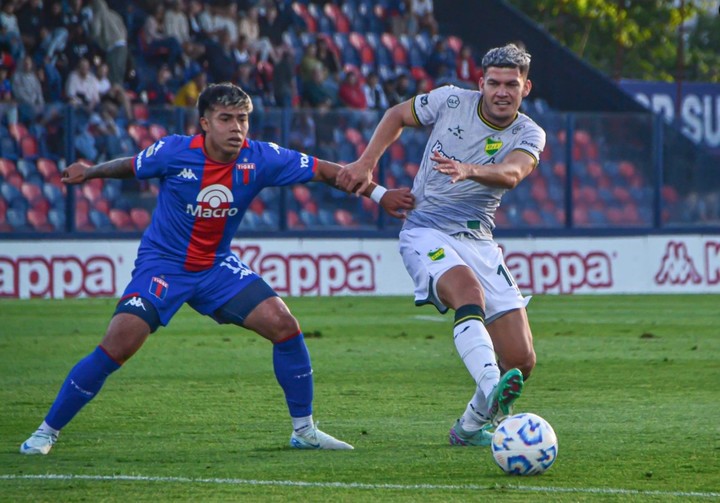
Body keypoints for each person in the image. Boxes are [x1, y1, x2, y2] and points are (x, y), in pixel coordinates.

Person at [19, 82, 415, 456]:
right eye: (226, 119)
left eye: (243, 119)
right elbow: (132, 165)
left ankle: (304, 431)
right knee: (119, 344)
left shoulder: (261, 157)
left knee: (284, 325)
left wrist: (378, 194)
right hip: (164, 266)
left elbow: (329, 172)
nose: (236, 128)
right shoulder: (174, 151)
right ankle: (45, 432)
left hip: (216, 268)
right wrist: (90, 171)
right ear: (205, 123)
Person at [337, 43, 545, 447]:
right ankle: (490, 382)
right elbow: (397, 114)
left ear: (526, 88)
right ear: (481, 83)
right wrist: (366, 162)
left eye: (511, 84)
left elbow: (512, 173)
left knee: (521, 360)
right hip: (425, 229)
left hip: (479, 239)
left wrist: (468, 169)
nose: (502, 92)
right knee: (468, 293)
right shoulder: (450, 100)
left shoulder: (529, 132)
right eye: (495, 83)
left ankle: (469, 427)